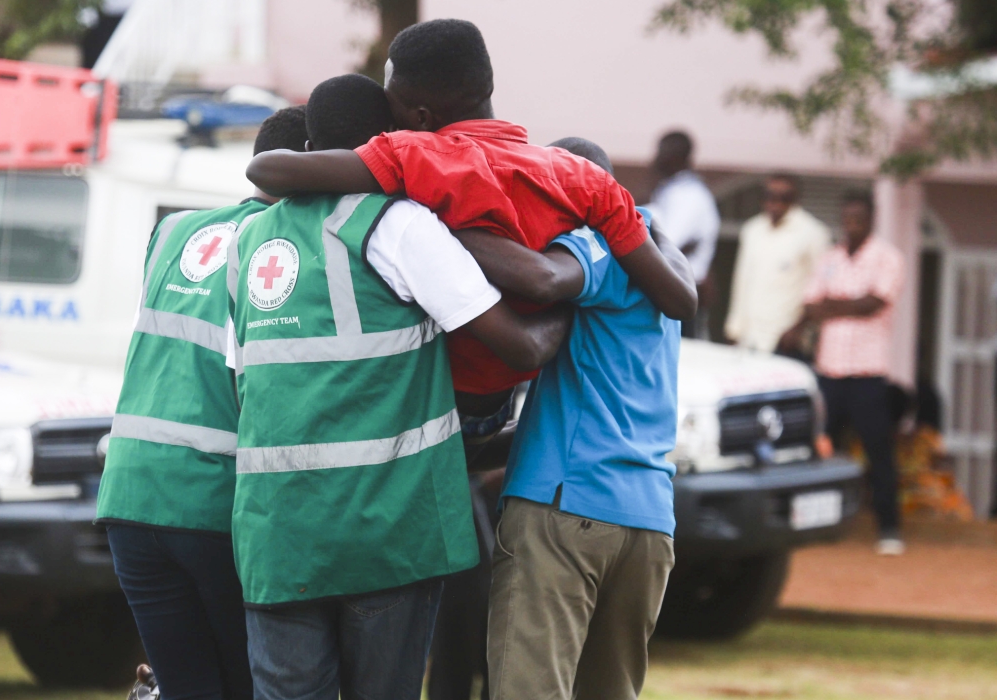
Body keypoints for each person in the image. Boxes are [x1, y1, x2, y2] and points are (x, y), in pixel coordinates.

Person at [226, 74, 572, 700]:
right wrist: (584, 294)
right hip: (383, 532)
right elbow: (519, 343)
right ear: (386, 140)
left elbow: (246, 379)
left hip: (276, 536)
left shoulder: (251, 239)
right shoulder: (398, 223)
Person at [244, 18, 696, 438]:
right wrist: (644, 228)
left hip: (433, 399)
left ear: (419, 117)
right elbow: (680, 300)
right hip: (517, 400)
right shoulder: (585, 177)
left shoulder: (415, 154)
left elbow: (267, 170)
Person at [454, 138, 682, 700]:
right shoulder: (655, 259)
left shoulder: (597, 241)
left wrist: (430, 229)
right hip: (649, 517)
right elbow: (590, 410)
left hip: (567, 509)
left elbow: (541, 279)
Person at [94, 106, 308, 700]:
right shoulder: (285, 247)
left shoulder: (175, 229)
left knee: (185, 688)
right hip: (212, 499)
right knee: (246, 686)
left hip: (131, 492)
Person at [779, 190, 906, 555]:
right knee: (821, 450)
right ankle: (815, 528)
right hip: (830, 369)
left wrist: (831, 305)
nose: (851, 225)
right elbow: (812, 304)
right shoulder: (830, 259)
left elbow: (874, 303)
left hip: (868, 372)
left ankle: (889, 530)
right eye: (847, 218)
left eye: (858, 218)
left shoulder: (887, 258)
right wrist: (831, 308)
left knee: (877, 451)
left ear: (871, 219)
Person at [724, 173, 831, 354]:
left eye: (784, 197)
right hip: (749, 338)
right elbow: (742, 281)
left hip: (786, 339)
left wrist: (801, 329)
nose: (775, 202)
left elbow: (821, 288)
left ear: (795, 199)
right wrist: (734, 329)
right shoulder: (753, 229)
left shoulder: (813, 233)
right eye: (769, 196)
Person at [647, 131, 721, 339]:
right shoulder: (670, 191)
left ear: (677, 156)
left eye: (662, 152)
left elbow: (666, 244)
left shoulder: (691, 196)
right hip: (671, 289)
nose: (656, 159)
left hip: (684, 293)